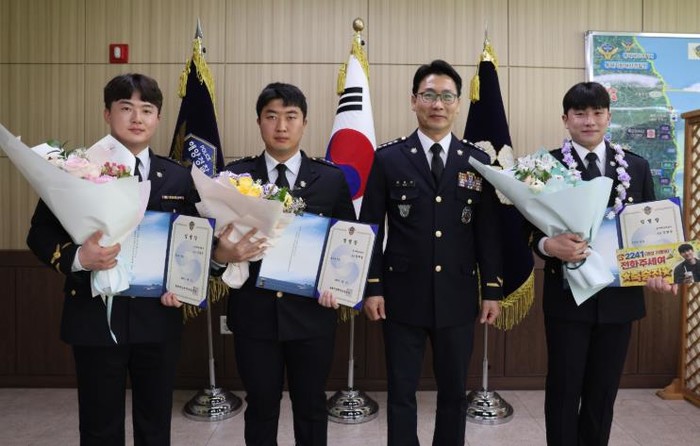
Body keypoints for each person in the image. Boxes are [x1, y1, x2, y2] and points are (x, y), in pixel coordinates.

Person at [26, 73, 198, 445]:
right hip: (95, 315)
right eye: (126, 108)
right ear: (107, 114)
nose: (137, 118)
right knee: (99, 425)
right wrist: (78, 258)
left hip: (158, 316)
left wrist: (185, 285)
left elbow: (192, 242)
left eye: (147, 110)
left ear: (158, 118)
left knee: (156, 425)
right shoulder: (75, 169)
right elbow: (39, 233)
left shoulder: (178, 177)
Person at [360, 59, 503, 446]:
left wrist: (491, 290)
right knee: (401, 392)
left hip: (458, 295)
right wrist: (373, 286)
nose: (437, 104)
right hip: (401, 295)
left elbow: (488, 232)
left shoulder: (478, 161)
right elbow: (371, 227)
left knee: (454, 393)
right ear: (414, 101)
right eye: (428, 95)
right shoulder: (388, 158)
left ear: (458, 104)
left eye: (446, 96)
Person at [212, 82, 355, 446]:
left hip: (312, 315)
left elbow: (347, 243)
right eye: (271, 116)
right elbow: (214, 243)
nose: (281, 126)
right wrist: (222, 254)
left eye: (291, 117)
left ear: (304, 122)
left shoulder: (330, 179)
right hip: (254, 317)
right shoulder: (235, 178)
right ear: (259, 121)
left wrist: (338, 286)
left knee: (311, 406)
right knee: (261, 406)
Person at [532, 81, 655, 445]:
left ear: (608, 117)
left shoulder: (636, 166)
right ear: (565, 119)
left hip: (619, 299)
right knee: (563, 388)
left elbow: (649, 230)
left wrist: (658, 269)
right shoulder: (544, 167)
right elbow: (525, 231)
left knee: (603, 392)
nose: (589, 121)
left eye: (597, 113)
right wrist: (548, 245)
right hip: (567, 299)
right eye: (580, 113)